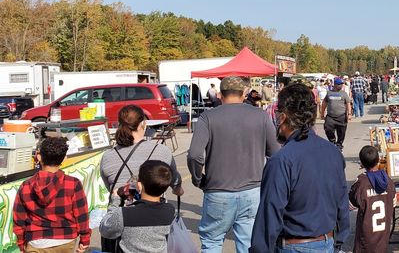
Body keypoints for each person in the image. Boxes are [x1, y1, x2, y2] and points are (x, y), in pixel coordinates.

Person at [250, 83, 350, 253]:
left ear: (283, 117)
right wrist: (339, 241)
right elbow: (341, 203)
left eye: (276, 114)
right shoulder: (333, 152)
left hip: (295, 246)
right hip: (328, 242)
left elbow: (269, 216)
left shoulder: (281, 160)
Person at [188, 76, 281, 253]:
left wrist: (197, 178)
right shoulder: (260, 116)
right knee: (248, 243)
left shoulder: (207, 117)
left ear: (220, 94)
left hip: (218, 190)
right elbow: (276, 154)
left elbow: (194, 155)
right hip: (252, 190)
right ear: (244, 93)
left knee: (212, 241)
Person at [99, 105, 183, 252]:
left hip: (119, 217)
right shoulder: (161, 151)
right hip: (154, 218)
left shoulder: (108, 156)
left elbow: (110, 187)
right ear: (143, 124)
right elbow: (173, 178)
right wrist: (178, 189)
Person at [13, 137, 91, 253]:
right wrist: (85, 239)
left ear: (38, 156)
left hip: (35, 241)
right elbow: (81, 215)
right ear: (64, 158)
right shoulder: (73, 184)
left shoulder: (26, 186)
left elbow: (19, 220)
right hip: (65, 240)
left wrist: (21, 243)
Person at [100, 160, 176, 253]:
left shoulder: (124, 214)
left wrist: (115, 201)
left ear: (139, 186)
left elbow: (105, 229)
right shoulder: (169, 210)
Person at [349, 146, 396, 253]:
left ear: (361, 163)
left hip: (365, 239)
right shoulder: (388, 181)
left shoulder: (361, 183)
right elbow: (393, 203)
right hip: (383, 238)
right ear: (378, 160)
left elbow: (350, 205)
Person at [321, 78, 352, 150]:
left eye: (341, 84)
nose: (341, 86)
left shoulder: (343, 93)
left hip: (341, 116)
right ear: (335, 85)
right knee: (327, 129)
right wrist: (322, 113)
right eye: (339, 84)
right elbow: (324, 103)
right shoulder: (329, 93)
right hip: (330, 117)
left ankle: (339, 144)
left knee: (341, 132)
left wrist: (349, 114)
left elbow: (348, 104)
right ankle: (332, 141)